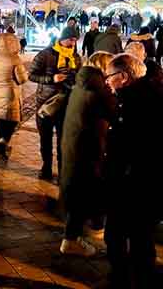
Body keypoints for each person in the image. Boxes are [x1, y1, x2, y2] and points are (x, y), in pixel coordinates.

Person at [104, 54, 163, 288]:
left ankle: (124, 279)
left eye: (109, 76)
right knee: (140, 238)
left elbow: (131, 147)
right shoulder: (145, 96)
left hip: (133, 185)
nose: (106, 81)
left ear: (123, 77)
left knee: (123, 236)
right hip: (141, 184)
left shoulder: (134, 104)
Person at [59, 52, 116, 257]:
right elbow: (115, 113)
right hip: (88, 149)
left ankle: (78, 234)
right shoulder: (99, 90)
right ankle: (71, 240)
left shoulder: (82, 84)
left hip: (76, 147)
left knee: (78, 191)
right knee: (82, 192)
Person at [29, 27, 82, 181]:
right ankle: (46, 168)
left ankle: (61, 172)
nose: (73, 43)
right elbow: (31, 75)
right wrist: (52, 79)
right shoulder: (45, 54)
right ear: (63, 38)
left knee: (62, 141)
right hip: (46, 103)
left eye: (75, 40)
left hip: (66, 103)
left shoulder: (76, 57)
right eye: (71, 39)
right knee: (45, 140)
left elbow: (79, 77)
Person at [0, 33, 28, 160]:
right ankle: (3, 141)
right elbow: (22, 79)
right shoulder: (15, 59)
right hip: (10, 94)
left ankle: (1, 140)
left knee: (1, 119)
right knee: (12, 120)